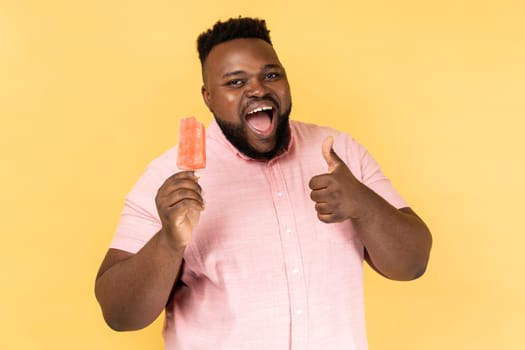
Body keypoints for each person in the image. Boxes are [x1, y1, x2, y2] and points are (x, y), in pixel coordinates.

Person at [95, 17, 432, 350]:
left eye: (271, 75)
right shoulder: (168, 177)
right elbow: (120, 315)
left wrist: (364, 205)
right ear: (208, 97)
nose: (257, 89)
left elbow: (412, 265)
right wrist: (169, 241)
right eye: (235, 82)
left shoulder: (340, 153)